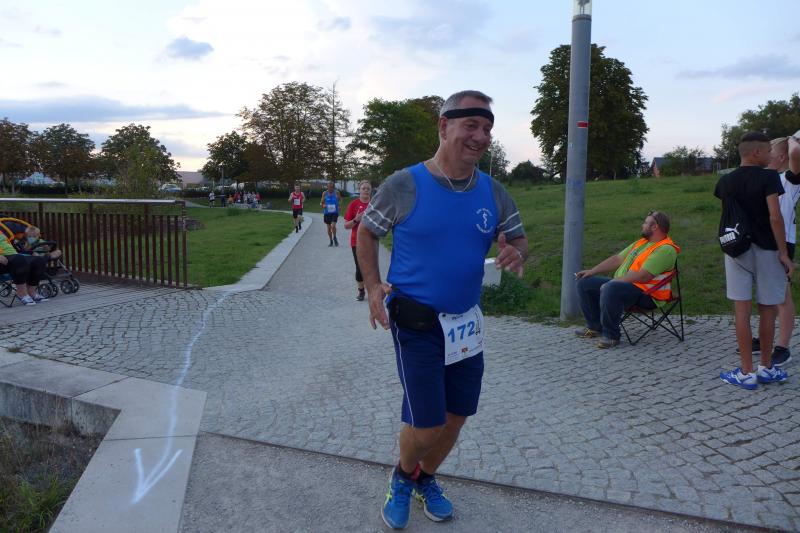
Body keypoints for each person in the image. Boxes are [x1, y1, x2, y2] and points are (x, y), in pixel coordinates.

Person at [357, 90, 527, 530]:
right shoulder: (405, 184)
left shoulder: (493, 191)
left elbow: (518, 239)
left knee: (456, 418)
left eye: (487, 128)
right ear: (444, 126)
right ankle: (402, 477)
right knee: (427, 425)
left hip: (466, 325)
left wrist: (516, 252)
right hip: (415, 322)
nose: (481, 136)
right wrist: (372, 286)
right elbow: (367, 232)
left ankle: (425, 478)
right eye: (471, 125)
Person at [714, 131, 793, 389]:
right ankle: (766, 367)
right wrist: (783, 252)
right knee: (768, 309)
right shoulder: (769, 177)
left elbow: (728, 216)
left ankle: (746, 371)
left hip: (737, 250)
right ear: (757, 153)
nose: (771, 155)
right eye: (768, 151)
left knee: (742, 310)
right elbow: (775, 216)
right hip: (768, 250)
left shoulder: (726, 181)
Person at [574, 211, 679, 348]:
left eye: (645, 223)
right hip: (626, 286)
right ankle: (594, 327)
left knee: (611, 288)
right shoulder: (641, 243)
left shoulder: (665, 249)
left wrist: (613, 282)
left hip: (648, 295)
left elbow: (643, 276)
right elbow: (617, 259)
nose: (642, 225)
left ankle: (611, 336)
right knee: (584, 282)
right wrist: (592, 271)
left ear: (655, 227)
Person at [767, 135, 800, 366]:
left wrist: (793, 139)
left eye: (768, 151)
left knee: (782, 296)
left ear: (780, 157)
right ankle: (766, 337)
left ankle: (783, 347)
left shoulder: (790, 179)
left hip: (783, 244)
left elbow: (795, 153)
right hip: (764, 241)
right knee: (767, 295)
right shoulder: (769, 179)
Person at [343, 180, 371, 301]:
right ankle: (361, 291)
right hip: (357, 242)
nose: (366, 190)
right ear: (359, 190)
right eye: (363, 188)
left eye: (368, 188)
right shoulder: (353, 204)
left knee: (371, 267)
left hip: (371, 241)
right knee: (360, 268)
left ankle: (372, 291)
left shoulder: (375, 204)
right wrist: (356, 219)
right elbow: (346, 226)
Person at [0, 234, 48, 305]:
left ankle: (31, 292)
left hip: (13, 256)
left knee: (38, 261)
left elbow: (14, 247)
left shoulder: (2, 233)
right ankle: (21, 294)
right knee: (18, 260)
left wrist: (30, 252)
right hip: (3, 261)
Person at [321, 181, 341, 246]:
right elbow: (321, 203)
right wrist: (323, 205)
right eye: (329, 187)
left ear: (334, 187)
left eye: (332, 187)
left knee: (333, 226)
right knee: (329, 228)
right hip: (327, 212)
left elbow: (340, 200)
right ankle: (331, 240)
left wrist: (339, 206)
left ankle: (334, 237)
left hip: (335, 212)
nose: (330, 188)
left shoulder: (337, 192)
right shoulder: (324, 193)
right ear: (327, 187)